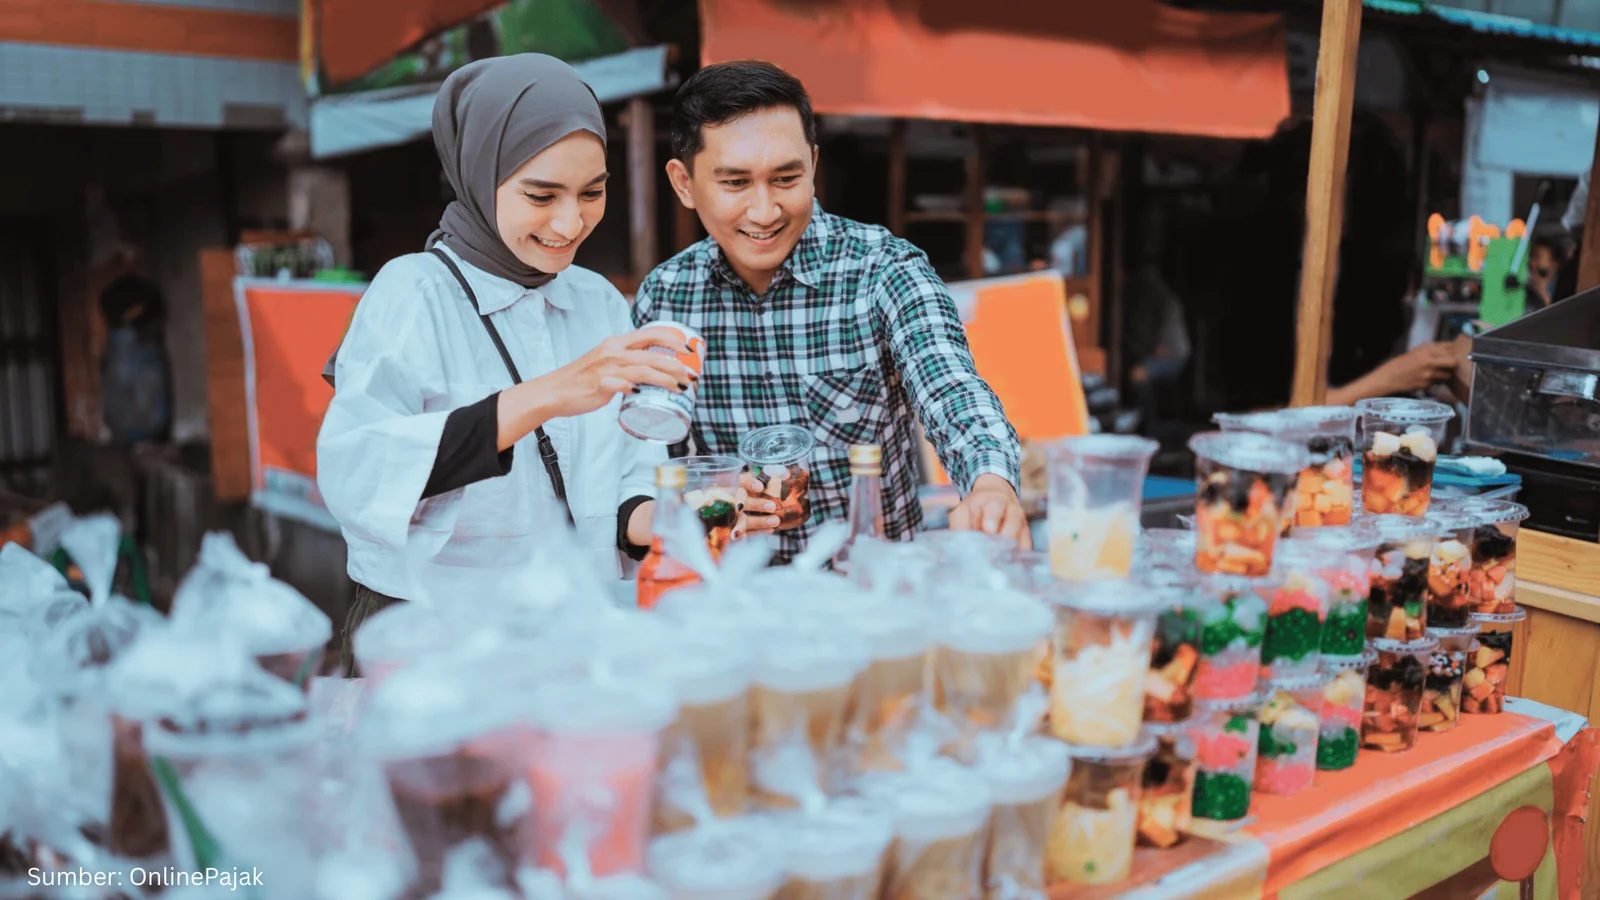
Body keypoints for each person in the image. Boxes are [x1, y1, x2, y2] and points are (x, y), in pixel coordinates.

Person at [317, 55, 693, 662]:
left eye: (592, 192)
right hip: (433, 636)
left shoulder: (596, 299)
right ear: (476, 172)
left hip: (575, 623)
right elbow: (359, 473)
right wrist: (549, 395)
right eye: (541, 195)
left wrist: (667, 518)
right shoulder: (414, 292)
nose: (570, 222)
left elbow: (629, 469)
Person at [634, 61, 1027, 560]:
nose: (764, 210)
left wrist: (990, 484)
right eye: (735, 183)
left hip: (873, 594)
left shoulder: (884, 270)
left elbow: (952, 389)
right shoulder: (666, 297)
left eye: (785, 178)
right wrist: (706, 507)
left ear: (813, 166)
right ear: (684, 183)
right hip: (735, 602)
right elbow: (646, 461)